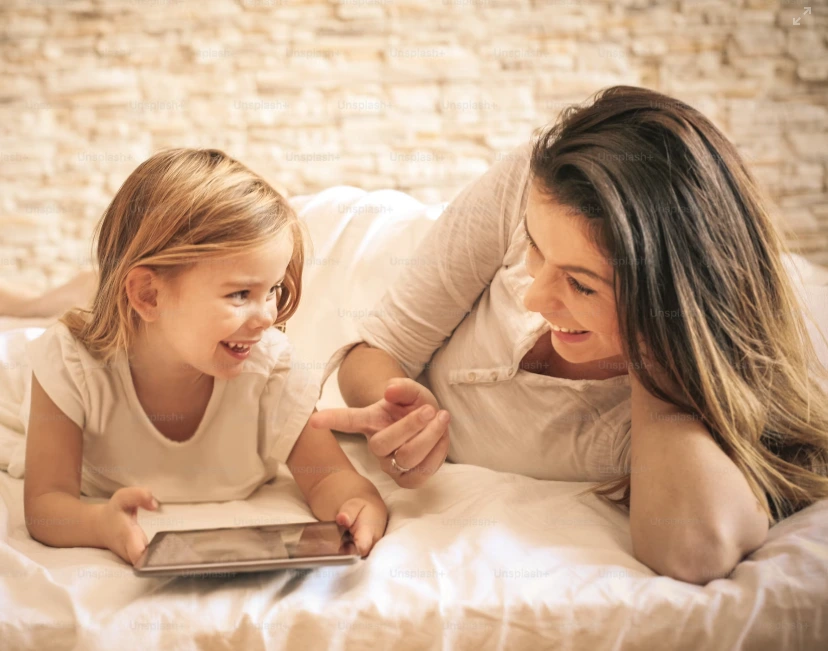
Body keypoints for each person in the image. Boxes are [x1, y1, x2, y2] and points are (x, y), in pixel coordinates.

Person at [308, 86, 828, 584]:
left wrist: (655, 347)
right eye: (535, 249)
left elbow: (693, 550)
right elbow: (375, 349)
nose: (533, 298)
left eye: (581, 285)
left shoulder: (673, 417)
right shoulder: (531, 185)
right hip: (354, 263)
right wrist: (398, 409)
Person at [17, 148, 387, 565]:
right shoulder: (71, 363)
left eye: (273, 290)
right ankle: (29, 303)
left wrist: (359, 503)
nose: (268, 317)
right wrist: (98, 523)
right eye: (240, 294)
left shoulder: (270, 370)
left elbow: (331, 480)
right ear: (149, 295)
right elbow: (47, 504)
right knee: (45, 319)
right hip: (62, 353)